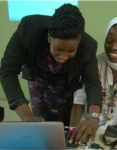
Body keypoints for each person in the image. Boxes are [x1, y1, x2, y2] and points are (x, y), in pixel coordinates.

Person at [0, 3, 102, 143]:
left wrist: (94, 116)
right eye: (58, 49)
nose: (63, 57)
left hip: (67, 89)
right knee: (40, 131)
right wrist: (26, 116)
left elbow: (92, 83)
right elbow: (7, 71)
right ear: (49, 36)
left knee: (63, 133)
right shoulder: (29, 29)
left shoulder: (88, 45)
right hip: (39, 87)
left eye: (71, 51)